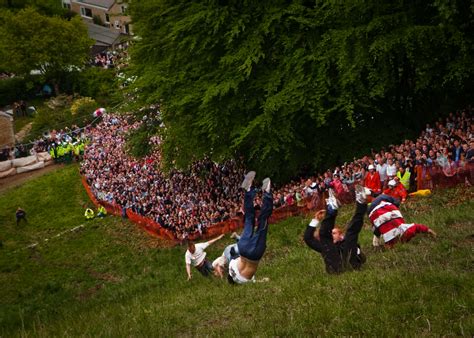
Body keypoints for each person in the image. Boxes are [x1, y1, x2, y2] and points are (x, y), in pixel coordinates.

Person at [303, 186, 368, 274]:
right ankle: (331, 210)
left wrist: (357, 251)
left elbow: (363, 259)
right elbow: (308, 238)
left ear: (340, 236)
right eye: (331, 233)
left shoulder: (348, 242)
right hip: (336, 269)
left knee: (351, 232)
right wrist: (315, 220)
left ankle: (361, 204)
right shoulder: (325, 247)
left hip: (351, 265)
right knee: (324, 236)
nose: (331, 235)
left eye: (334, 233)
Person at [228, 171, 273, 284]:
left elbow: (258, 282)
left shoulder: (242, 281)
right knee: (248, 218)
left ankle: (267, 193)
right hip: (242, 248)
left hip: (254, 254)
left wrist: (264, 280)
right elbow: (233, 254)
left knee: (263, 223)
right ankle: (248, 190)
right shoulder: (231, 267)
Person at [368, 194, 437, 248]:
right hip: (374, 211)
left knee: (379, 227)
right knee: (378, 227)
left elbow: (420, 227)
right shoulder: (390, 243)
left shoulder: (406, 232)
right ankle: (375, 245)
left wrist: (432, 233)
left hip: (380, 206)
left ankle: (375, 245)